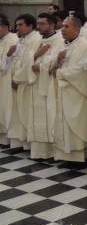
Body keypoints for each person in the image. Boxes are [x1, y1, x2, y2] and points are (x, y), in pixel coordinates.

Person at [49, 16, 87, 163]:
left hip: (76, 93)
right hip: (61, 91)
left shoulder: (84, 45)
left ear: (77, 29)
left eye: (67, 27)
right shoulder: (61, 44)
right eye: (62, 26)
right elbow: (51, 63)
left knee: (76, 124)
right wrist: (57, 60)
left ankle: (80, 157)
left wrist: (60, 73)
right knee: (62, 123)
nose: (63, 29)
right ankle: (65, 156)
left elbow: (82, 69)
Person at [27, 13, 63, 159]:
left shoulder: (59, 40)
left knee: (50, 116)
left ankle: (52, 152)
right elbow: (27, 58)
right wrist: (36, 55)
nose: (39, 26)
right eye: (38, 23)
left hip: (49, 85)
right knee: (38, 117)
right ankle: (40, 152)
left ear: (52, 24)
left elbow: (56, 60)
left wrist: (41, 66)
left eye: (42, 23)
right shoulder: (38, 40)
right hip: (36, 83)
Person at [7, 15, 41, 149]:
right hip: (18, 80)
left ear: (30, 26)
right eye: (17, 25)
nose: (17, 28)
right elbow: (18, 60)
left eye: (21, 25)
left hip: (28, 81)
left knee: (28, 112)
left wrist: (17, 78)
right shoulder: (21, 40)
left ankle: (30, 144)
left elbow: (29, 61)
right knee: (19, 112)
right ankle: (23, 142)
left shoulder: (36, 39)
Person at [0, 15, 19, 146]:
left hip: (8, 78)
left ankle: (9, 139)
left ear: (5, 27)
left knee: (8, 108)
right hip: (2, 78)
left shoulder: (13, 39)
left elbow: (8, 62)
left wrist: (6, 57)